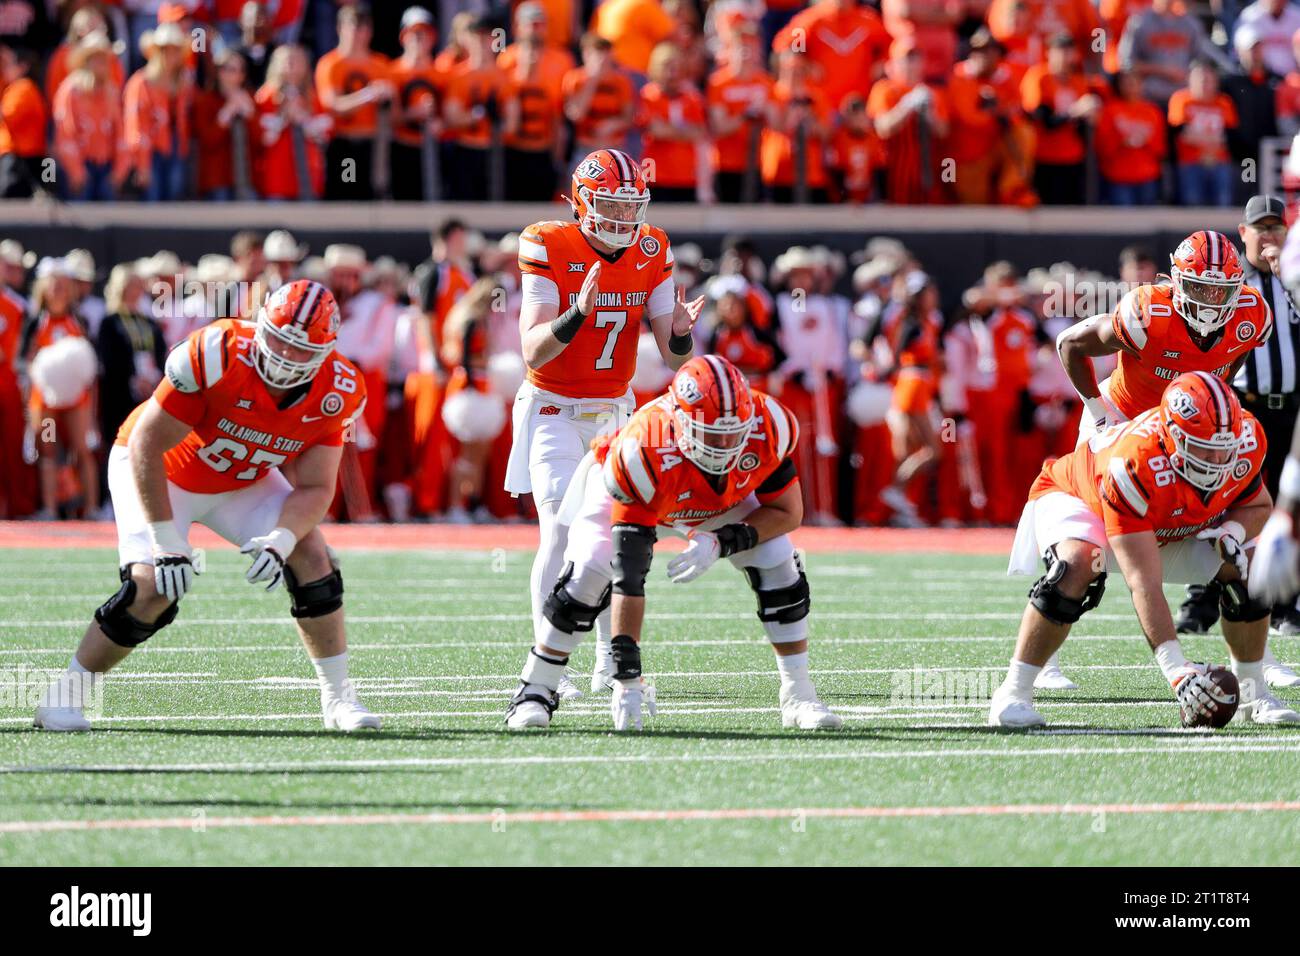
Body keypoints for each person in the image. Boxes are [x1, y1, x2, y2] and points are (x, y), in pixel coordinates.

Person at [33, 280, 381, 733]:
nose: (283, 356)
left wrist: (280, 538)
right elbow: (146, 445)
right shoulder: (215, 353)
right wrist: (164, 540)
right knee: (154, 588)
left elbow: (315, 486)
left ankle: (338, 700)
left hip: (241, 480)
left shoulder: (338, 389)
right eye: (277, 340)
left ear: (326, 352)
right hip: (163, 471)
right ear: (260, 328)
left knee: (312, 556)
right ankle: (62, 698)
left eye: (300, 349)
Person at [505, 354, 842, 731]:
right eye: (713, 433)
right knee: (588, 575)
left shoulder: (770, 425)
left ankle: (799, 695)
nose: (726, 445)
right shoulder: (643, 449)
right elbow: (629, 577)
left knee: (779, 558)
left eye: (734, 432)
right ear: (681, 423)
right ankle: (535, 689)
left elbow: (787, 513)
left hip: (720, 501)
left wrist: (721, 542)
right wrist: (628, 676)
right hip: (651, 493)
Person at [503, 148, 704, 696]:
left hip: (617, 411)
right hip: (553, 407)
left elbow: (674, 356)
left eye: (629, 206)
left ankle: (606, 660)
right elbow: (533, 351)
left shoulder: (652, 246)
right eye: (610, 206)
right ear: (581, 201)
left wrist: (682, 332)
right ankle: (549, 662)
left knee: (618, 535)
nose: (621, 219)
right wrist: (577, 312)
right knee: (563, 530)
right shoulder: (547, 242)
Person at [991, 373, 1299, 727]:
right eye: (1202, 446)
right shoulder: (1134, 464)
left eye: (1222, 445)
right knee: (1077, 564)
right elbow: (1144, 583)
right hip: (1079, 500)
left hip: (1165, 520)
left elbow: (1257, 505)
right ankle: (1013, 692)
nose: (1216, 458)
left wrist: (1233, 530)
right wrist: (1177, 671)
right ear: (1171, 439)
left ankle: (1253, 693)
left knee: (1249, 566)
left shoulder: (1246, 439)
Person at [1052, 230, 1283, 686]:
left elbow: (1229, 361)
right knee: (1088, 546)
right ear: (1176, 282)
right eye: (1200, 287)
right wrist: (1097, 411)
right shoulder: (1147, 313)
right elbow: (1070, 344)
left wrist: (1215, 407)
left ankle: (1259, 659)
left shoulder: (1252, 317)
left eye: (1221, 290)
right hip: (1123, 420)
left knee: (1231, 539)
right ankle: (1047, 660)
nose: (1212, 299)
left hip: (1192, 434)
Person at [1179, 197, 1300, 662]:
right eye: (1259, 228)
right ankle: (1201, 602)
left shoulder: (1294, 279)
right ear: (1242, 232)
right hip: (1241, 412)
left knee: (1287, 508)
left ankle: (1284, 602)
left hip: (1292, 410)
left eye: (1276, 227)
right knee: (1221, 504)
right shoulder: (1228, 283)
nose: (1268, 236)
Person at [19, 257, 97, 519]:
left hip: (77, 401)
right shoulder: (34, 322)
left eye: (64, 285)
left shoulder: (79, 321)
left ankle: (91, 508)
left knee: (82, 449)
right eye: (54, 285)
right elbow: (25, 362)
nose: (59, 290)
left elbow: (91, 363)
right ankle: (50, 508)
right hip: (46, 402)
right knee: (49, 450)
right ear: (43, 288)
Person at [314, 3, 392, 201]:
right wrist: (368, 95)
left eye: (363, 27)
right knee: (347, 195)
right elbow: (332, 105)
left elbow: (395, 111)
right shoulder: (330, 64)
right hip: (344, 145)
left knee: (374, 196)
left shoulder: (380, 64)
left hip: (375, 146)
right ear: (340, 28)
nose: (358, 33)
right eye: (353, 26)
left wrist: (389, 96)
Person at [123, 22, 194, 201]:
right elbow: (136, 127)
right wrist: (142, 165)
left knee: (174, 196)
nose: (171, 55)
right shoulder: (140, 82)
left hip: (175, 146)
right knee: (152, 199)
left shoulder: (183, 83)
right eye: (165, 49)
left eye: (175, 49)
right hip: (150, 150)